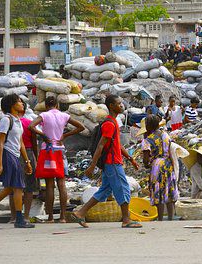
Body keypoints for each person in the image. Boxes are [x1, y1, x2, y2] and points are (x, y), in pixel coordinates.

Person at [72, 95, 142, 228]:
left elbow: (118, 145)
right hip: (112, 163)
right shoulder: (109, 124)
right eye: (119, 103)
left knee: (104, 190)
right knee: (123, 188)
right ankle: (126, 219)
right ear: (111, 106)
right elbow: (100, 145)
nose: (121, 105)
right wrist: (92, 166)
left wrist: (131, 159)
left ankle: (80, 213)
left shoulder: (114, 122)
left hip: (112, 162)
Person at [29, 96, 84, 223]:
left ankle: (50, 217)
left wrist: (43, 135)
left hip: (47, 151)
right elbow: (81, 127)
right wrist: (64, 135)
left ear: (46, 105)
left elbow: (31, 126)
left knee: (49, 185)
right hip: (60, 150)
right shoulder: (64, 116)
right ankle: (63, 217)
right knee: (61, 183)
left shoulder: (44, 115)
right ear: (57, 105)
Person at [0, 94, 35, 228]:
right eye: (19, 101)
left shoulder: (18, 120)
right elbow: (0, 142)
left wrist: (27, 161)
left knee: (10, 188)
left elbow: (21, 143)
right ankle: (19, 219)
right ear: (12, 104)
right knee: (17, 187)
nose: (21, 103)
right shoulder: (6, 120)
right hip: (8, 155)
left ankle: (19, 219)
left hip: (15, 155)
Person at [140, 115, 179, 221]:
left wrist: (147, 164)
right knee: (169, 189)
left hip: (156, 166)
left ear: (148, 126)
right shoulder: (165, 134)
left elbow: (145, 159)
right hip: (168, 163)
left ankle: (160, 218)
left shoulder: (147, 140)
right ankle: (170, 217)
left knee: (158, 191)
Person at [9, 102, 39, 222]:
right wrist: (35, 158)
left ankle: (14, 217)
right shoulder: (28, 123)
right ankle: (25, 216)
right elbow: (34, 142)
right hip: (28, 153)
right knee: (29, 187)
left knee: (13, 187)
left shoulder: (9, 122)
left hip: (13, 154)